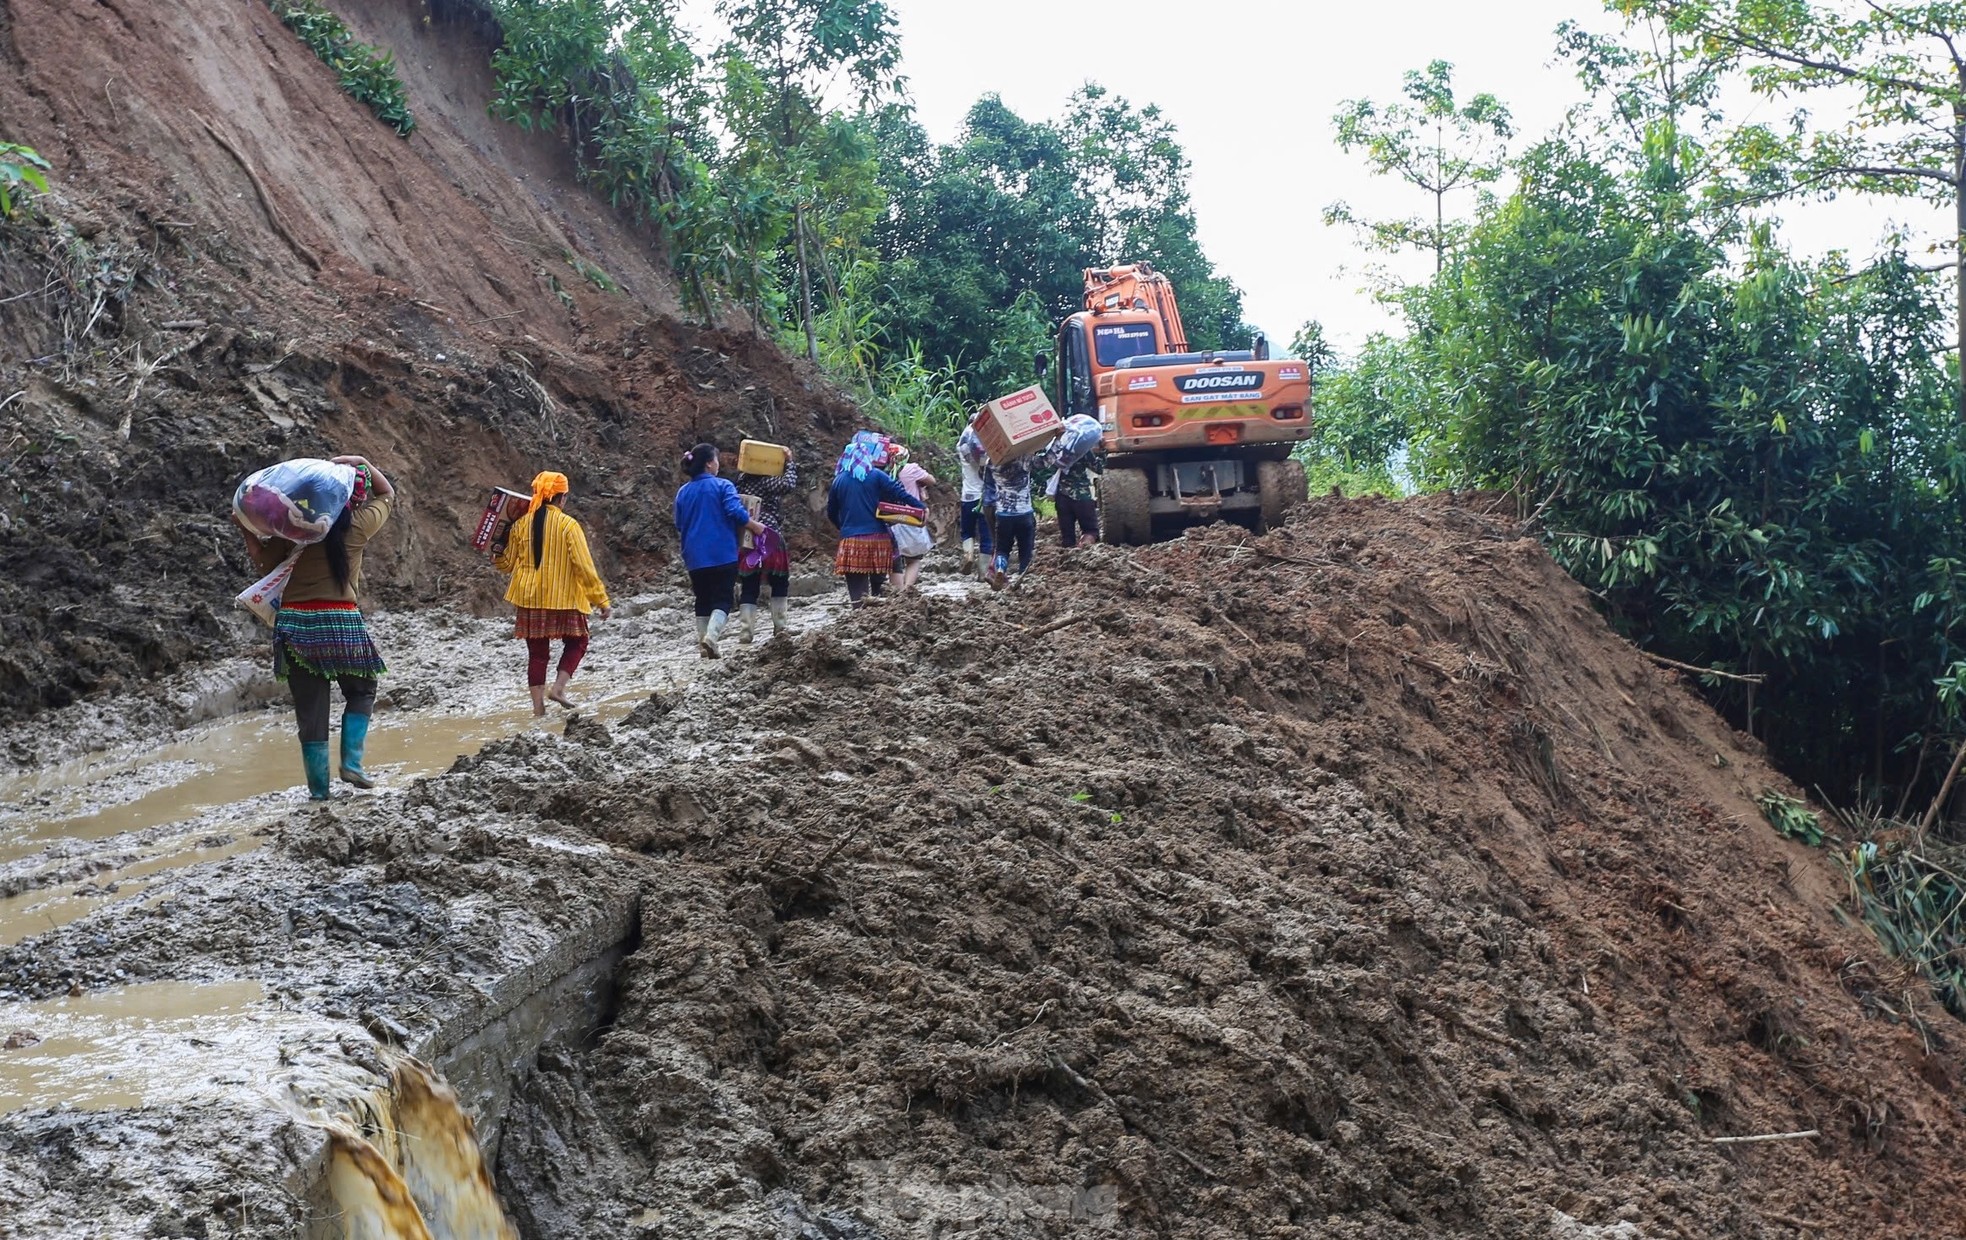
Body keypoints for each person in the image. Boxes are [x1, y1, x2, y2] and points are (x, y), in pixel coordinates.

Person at [242, 454, 393, 800]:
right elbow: (387, 495)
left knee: (311, 710)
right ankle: (352, 763)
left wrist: (244, 529)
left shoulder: (291, 531)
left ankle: (319, 794)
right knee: (362, 690)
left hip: (294, 623)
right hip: (340, 621)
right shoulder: (355, 526)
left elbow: (263, 563)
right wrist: (363, 461)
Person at [494, 470, 611, 715]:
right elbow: (583, 566)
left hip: (529, 598)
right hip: (564, 598)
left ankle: (538, 710)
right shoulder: (569, 526)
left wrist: (496, 547)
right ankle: (558, 689)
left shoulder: (520, 525)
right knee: (578, 641)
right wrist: (600, 599)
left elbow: (505, 565)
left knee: (537, 654)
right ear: (563, 498)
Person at [674, 443, 765, 658]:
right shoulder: (723, 486)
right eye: (716, 460)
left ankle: (703, 646)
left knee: (702, 600)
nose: (718, 464)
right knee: (722, 600)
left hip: (694, 557)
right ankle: (711, 638)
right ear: (708, 464)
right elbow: (734, 511)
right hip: (722, 553)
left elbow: (679, 524)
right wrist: (754, 525)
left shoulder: (682, 492)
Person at [826, 430, 918, 605]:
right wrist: (920, 508)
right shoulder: (878, 475)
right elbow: (898, 496)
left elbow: (831, 512)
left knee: (857, 595)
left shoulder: (839, 480)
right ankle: (880, 608)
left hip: (851, 541)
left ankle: (859, 610)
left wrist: (844, 527)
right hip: (879, 540)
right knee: (879, 585)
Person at [733, 452, 799, 644]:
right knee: (779, 581)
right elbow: (788, 484)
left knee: (749, 584)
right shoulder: (766, 480)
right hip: (768, 536)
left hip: (746, 539)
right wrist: (790, 464)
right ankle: (780, 627)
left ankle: (746, 631)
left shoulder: (740, 481)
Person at [889, 456, 938, 594]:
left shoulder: (882, 471)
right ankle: (907, 589)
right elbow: (932, 480)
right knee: (914, 558)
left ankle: (896, 591)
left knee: (894, 558)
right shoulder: (910, 469)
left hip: (888, 517)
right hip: (911, 517)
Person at [987, 452, 1036, 584]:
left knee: (1002, 549)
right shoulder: (1025, 460)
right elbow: (1048, 460)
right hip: (1024, 513)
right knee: (1026, 550)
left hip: (1003, 514)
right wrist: (1058, 440)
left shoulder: (993, 462)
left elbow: (983, 476)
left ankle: (1001, 569)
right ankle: (1023, 579)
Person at [956, 416, 994, 574]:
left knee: (967, 532)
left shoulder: (962, 446)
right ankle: (983, 573)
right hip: (985, 498)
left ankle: (969, 556)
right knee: (987, 536)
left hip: (968, 497)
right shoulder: (989, 452)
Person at [1054, 445, 1105, 547]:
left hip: (1062, 497)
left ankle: (1068, 558)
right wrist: (1102, 451)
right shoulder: (1082, 447)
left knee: (1067, 538)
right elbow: (1099, 468)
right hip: (1082, 497)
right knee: (1090, 531)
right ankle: (1084, 549)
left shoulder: (1054, 450)